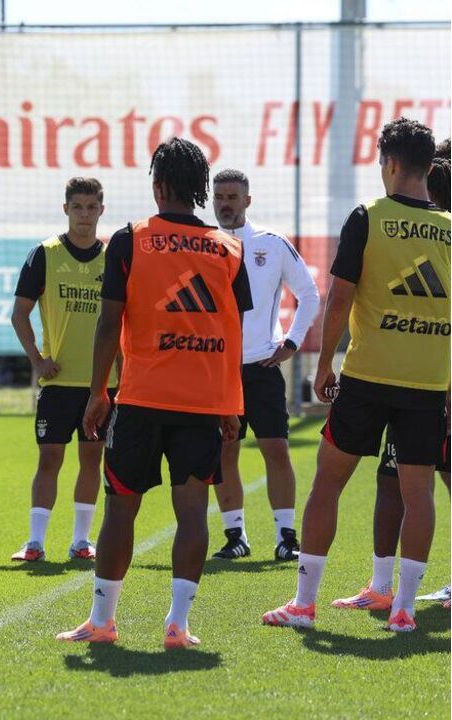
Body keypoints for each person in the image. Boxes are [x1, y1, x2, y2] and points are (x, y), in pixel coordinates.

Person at [57, 138, 250, 649]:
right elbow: (235, 331)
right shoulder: (229, 247)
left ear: (158, 185)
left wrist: (99, 391)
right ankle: (178, 625)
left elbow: (108, 322)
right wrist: (233, 403)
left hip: (141, 399)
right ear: (200, 188)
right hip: (204, 403)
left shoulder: (131, 238)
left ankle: (102, 621)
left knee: (121, 507)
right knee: (192, 513)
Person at [262, 118, 450, 633]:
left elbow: (340, 296)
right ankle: (405, 610)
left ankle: (304, 603)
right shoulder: (451, 228)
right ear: (430, 167)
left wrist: (324, 363)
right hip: (428, 383)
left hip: (368, 377)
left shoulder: (368, 216)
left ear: (388, 163)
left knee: (328, 482)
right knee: (420, 496)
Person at [331, 137, 451, 614]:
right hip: (409, 381)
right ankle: (381, 584)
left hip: (432, 384)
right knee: (391, 478)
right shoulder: (419, 224)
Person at [208, 169, 319, 562]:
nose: (225, 203)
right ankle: (235, 535)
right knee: (225, 453)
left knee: (276, 449)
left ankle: (286, 537)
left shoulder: (271, 244)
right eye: (219, 196)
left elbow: (308, 293)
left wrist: (291, 342)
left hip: (262, 367)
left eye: (233, 196)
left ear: (247, 200)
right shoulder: (204, 245)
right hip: (218, 372)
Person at [8, 177, 114, 563]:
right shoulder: (45, 254)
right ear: (65, 209)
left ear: (101, 211)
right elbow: (20, 313)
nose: (84, 214)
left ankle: (81, 541)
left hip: (101, 385)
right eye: (77, 207)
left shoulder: (114, 257)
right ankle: (35, 542)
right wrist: (37, 359)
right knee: (49, 458)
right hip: (58, 383)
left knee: (91, 459)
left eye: (91, 207)